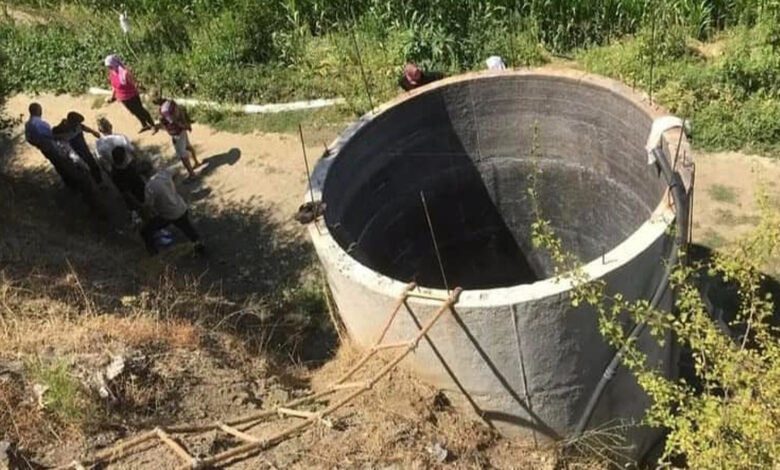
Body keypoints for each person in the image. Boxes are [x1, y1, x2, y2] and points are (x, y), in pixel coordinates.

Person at [140, 166, 205, 256]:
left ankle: (154, 253)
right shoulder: (163, 173)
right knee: (188, 229)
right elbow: (176, 171)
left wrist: (146, 213)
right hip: (180, 206)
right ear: (152, 169)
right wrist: (173, 186)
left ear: (143, 176)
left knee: (146, 231)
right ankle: (199, 245)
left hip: (168, 214)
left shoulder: (149, 187)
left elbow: (149, 206)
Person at [24, 102, 80, 190]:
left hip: (44, 149)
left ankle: (68, 183)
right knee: (65, 164)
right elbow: (51, 136)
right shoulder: (40, 124)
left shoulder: (28, 124)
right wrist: (63, 136)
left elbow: (29, 139)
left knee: (58, 165)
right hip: (52, 147)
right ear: (38, 111)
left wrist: (38, 144)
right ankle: (75, 183)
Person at [104, 54, 155, 133]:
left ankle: (152, 125)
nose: (109, 68)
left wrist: (143, 90)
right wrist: (112, 97)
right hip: (123, 99)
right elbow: (114, 87)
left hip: (132, 97)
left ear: (114, 63)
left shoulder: (125, 73)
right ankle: (144, 125)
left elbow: (134, 84)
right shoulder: (112, 73)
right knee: (134, 112)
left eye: (110, 66)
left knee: (141, 110)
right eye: (108, 67)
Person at [152, 98, 200, 179]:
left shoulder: (164, 111)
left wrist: (159, 126)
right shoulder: (170, 102)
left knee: (182, 154)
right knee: (188, 146)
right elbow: (180, 113)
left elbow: (174, 122)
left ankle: (192, 174)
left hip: (177, 133)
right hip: (182, 131)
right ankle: (196, 162)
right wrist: (186, 125)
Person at [52, 112, 103, 185]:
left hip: (83, 149)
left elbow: (84, 128)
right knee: (82, 170)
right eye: (77, 123)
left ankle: (100, 182)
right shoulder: (59, 130)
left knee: (93, 165)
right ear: (71, 122)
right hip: (74, 153)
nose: (78, 124)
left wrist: (93, 132)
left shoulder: (78, 125)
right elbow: (53, 137)